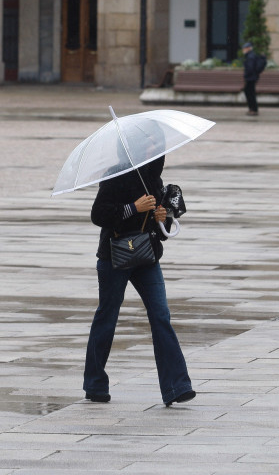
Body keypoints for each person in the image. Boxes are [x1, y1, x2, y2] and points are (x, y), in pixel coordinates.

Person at [84, 154, 196, 407]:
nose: (157, 154)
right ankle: (95, 384)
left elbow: (162, 229)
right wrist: (134, 208)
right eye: (151, 147)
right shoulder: (115, 175)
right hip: (115, 256)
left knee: (161, 315)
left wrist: (161, 217)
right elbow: (98, 215)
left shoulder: (154, 179)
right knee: (107, 315)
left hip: (147, 256)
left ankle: (177, 387)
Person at [242, 41, 267, 116]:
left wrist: (246, 76)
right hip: (252, 77)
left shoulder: (250, 56)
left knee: (250, 93)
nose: (243, 50)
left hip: (251, 78)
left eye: (245, 48)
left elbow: (250, 68)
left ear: (249, 48)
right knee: (250, 93)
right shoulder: (251, 55)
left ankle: (253, 109)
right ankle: (253, 109)